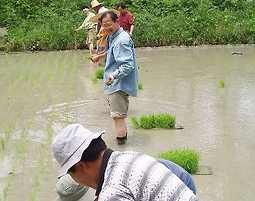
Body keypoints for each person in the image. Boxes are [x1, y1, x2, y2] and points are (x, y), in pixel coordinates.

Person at [51, 123, 198, 201]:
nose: (76, 180)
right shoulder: (129, 157)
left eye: (71, 174)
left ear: (81, 166)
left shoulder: (113, 192)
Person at [91, 11, 138, 145]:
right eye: (104, 25)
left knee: (118, 117)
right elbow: (111, 50)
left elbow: (128, 65)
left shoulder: (122, 40)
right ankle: (122, 144)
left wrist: (113, 75)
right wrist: (100, 56)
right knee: (118, 117)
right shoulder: (114, 36)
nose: (106, 28)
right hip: (115, 83)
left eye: (109, 24)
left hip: (119, 83)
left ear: (117, 21)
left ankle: (121, 148)